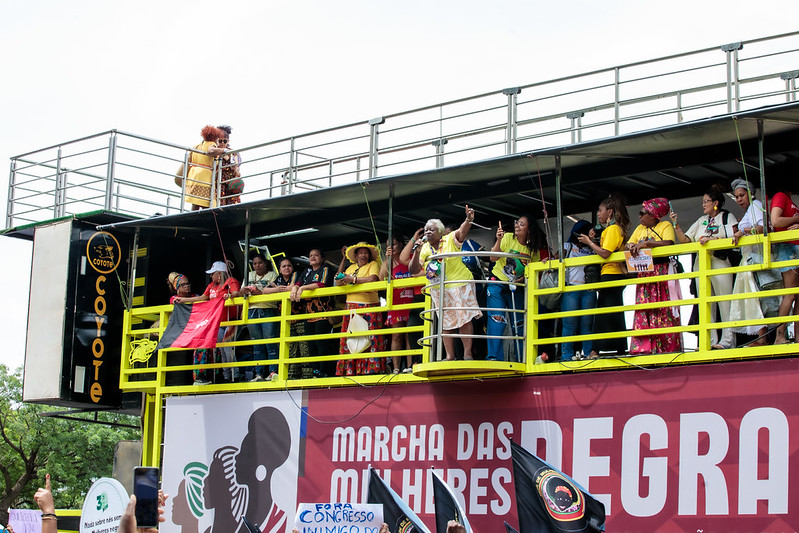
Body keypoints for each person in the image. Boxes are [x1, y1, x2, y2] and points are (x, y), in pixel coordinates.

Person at [410, 205, 483, 361]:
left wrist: (468, 220)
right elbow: (413, 270)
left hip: (460, 283)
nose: (428, 232)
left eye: (432, 229)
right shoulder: (424, 249)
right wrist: (416, 252)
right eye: (426, 229)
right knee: (445, 322)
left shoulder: (449, 239)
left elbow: (462, 232)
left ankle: (467, 353)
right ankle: (450, 356)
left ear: (440, 232)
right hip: (440, 288)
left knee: (464, 319)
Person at [672, 186, 738, 349]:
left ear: (716, 203)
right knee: (706, 305)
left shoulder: (727, 217)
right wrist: (676, 225)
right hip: (701, 266)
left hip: (720, 263)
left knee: (725, 303)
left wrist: (712, 239)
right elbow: (686, 240)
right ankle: (709, 342)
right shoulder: (701, 220)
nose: (703, 204)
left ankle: (728, 341)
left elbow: (734, 237)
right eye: (702, 202)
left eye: (706, 201)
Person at [626, 197, 683, 355]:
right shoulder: (639, 228)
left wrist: (647, 244)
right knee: (645, 308)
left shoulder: (664, 225)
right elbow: (629, 242)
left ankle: (667, 347)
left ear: (653, 215)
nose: (639, 216)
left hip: (661, 270)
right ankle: (645, 348)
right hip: (644, 272)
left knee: (663, 308)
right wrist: (631, 245)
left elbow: (669, 243)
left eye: (642, 213)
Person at [578, 194, 630, 358]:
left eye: (600, 211)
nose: (598, 214)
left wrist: (590, 243)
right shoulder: (612, 229)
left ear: (610, 212)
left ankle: (596, 350)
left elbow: (606, 253)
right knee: (613, 313)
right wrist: (595, 241)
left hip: (611, 274)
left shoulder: (613, 229)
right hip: (612, 274)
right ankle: (619, 348)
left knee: (604, 314)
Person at [175, 261, 242, 383]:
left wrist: (229, 296)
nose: (211, 276)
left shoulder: (230, 281)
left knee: (228, 347)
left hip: (231, 320)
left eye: (213, 274)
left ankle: (235, 375)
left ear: (220, 274)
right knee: (221, 349)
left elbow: (236, 293)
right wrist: (184, 300)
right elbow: (202, 298)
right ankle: (227, 376)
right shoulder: (211, 285)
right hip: (218, 322)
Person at [486, 216, 536, 361]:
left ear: (529, 229)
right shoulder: (507, 237)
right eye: (517, 223)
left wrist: (520, 279)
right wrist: (499, 239)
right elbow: (493, 258)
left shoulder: (532, 249)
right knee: (497, 320)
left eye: (522, 224)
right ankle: (494, 358)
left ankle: (522, 358)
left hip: (517, 286)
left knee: (519, 322)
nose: (517, 226)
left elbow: (531, 271)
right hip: (498, 283)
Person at [729, 178, 772, 346]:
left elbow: (763, 227)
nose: (739, 199)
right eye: (737, 197)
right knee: (752, 298)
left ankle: (762, 339)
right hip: (749, 258)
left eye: (741, 195)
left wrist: (743, 231)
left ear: (750, 194)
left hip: (756, 257)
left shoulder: (756, 206)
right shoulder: (750, 210)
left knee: (756, 298)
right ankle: (761, 338)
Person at [235, 407, 291, 533]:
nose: (237, 457)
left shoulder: (278, 521)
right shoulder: (243, 518)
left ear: (261, 469)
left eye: (245, 455)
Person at [336, 242, 385, 376]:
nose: (364, 255)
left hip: (368, 306)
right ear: (356, 255)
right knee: (352, 340)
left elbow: (373, 278)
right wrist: (344, 259)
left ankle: (371, 370)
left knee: (369, 339)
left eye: (366, 253)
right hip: (351, 307)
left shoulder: (373, 264)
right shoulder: (350, 267)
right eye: (361, 253)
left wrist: (353, 279)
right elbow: (338, 280)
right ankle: (349, 370)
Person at [291, 249, 336, 377]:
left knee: (321, 344)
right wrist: (295, 287)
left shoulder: (325, 268)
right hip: (308, 314)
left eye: (316, 255)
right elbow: (298, 283)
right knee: (311, 344)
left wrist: (303, 288)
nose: (313, 257)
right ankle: (315, 372)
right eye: (310, 255)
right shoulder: (307, 271)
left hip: (323, 312)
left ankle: (325, 372)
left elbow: (321, 284)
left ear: (322, 258)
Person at [560, 220, 598, 360]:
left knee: (587, 324)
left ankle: (588, 353)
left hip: (588, 289)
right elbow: (556, 258)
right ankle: (566, 355)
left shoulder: (593, 248)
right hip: (571, 288)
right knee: (570, 324)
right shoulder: (568, 246)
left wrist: (591, 242)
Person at [768, 173, 799, 344]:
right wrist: (796, 219)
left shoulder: (788, 199)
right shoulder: (781, 197)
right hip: (788, 247)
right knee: (791, 293)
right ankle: (779, 336)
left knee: (797, 294)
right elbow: (776, 221)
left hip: (794, 247)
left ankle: (796, 336)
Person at [380, 237, 415, 373]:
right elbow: (381, 277)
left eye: (394, 244)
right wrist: (387, 259)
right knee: (396, 335)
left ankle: (410, 366)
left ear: (401, 244)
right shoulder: (388, 262)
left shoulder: (409, 258)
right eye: (389, 245)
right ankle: (395, 368)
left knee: (409, 335)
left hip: (411, 301)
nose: (392, 247)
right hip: (396, 303)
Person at [242, 254, 279, 381]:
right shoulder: (250, 275)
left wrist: (259, 291)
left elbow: (274, 290)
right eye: (255, 263)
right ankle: (259, 373)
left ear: (266, 263)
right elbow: (242, 290)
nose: (257, 265)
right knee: (257, 343)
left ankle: (273, 372)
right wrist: (246, 291)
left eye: (260, 263)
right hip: (252, 310)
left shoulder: (273, 275)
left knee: (270, 341)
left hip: (268, 308)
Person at [185, 126, 227, 210]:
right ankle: (208, 219)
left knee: (195, 202)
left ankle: (192, 218)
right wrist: (224, 150)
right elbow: (211, 151)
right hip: (204, 176)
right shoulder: (211, 144)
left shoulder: (196, 146)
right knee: (208, 202)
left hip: (193, 176)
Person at [216, 125, 243, 206]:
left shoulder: (233, 152)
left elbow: (236, 167)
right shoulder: (213, 150)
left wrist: (226, 156)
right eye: (220, 140)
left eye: (224, 141)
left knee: (232, 205)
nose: (222, 143)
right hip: (217, 183)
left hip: (229, 183)